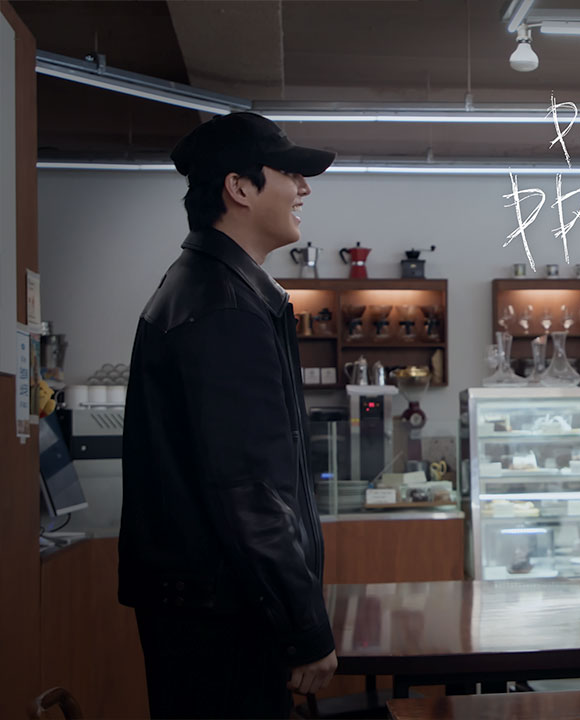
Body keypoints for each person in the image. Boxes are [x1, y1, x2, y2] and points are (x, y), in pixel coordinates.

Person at [119, 112, 339, 719]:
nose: (304, 188)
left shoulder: (207, 286)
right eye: (289, 173)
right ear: (239, 188)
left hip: (210, 611)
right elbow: (249, 491)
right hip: (225, 622)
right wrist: (305, 626)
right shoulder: (225, 307)